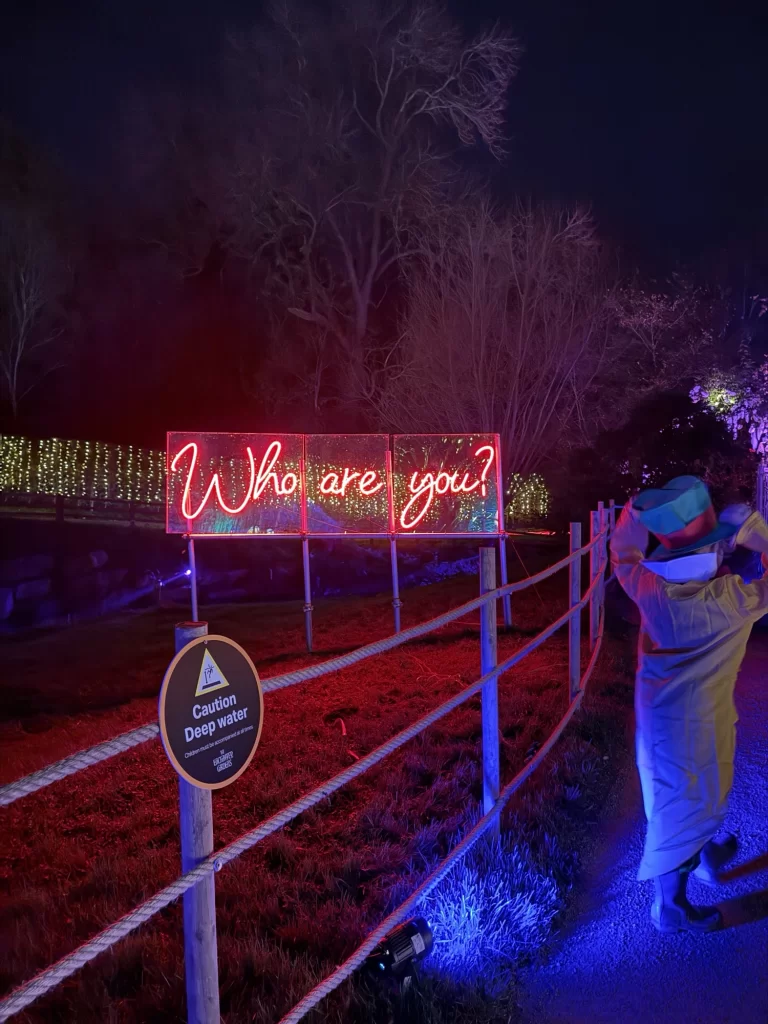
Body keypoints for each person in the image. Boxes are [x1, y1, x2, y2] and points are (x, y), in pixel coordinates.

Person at [610, 475, 768, 934]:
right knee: (687, 805)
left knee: (681, 798)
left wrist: (638, 510)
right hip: (705, 718)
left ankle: (702, 854)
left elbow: (623, 550)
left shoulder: (646, 587)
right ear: (712, 551)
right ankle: (671, 908)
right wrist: (752, 527)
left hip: (661, 723)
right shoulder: (734, 599)